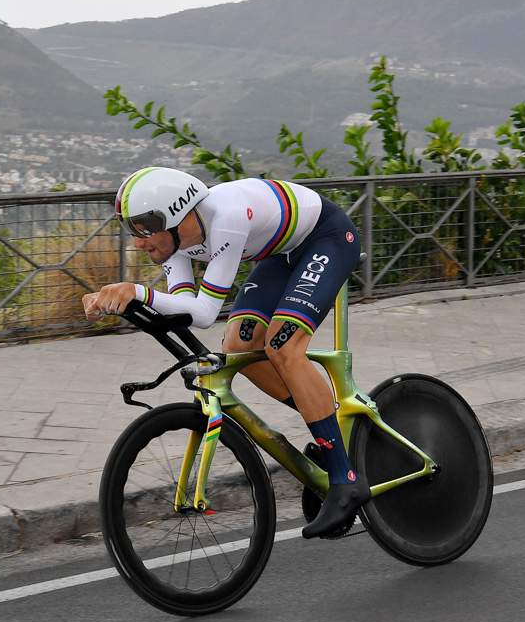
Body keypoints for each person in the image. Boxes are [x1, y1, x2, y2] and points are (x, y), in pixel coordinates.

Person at [83, 166, 367, 539]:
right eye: (132, 230)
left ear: (175, 214)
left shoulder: (226, 219)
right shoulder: (176, 239)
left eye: (143, 228)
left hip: (327, 237)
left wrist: (136, 292)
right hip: (281, 253)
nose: (138, 242)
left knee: (282, 347)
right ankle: (333, 429)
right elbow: (183, 305)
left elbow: (203, 314)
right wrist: (120, 303)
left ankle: (345, 480)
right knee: (238, 347)